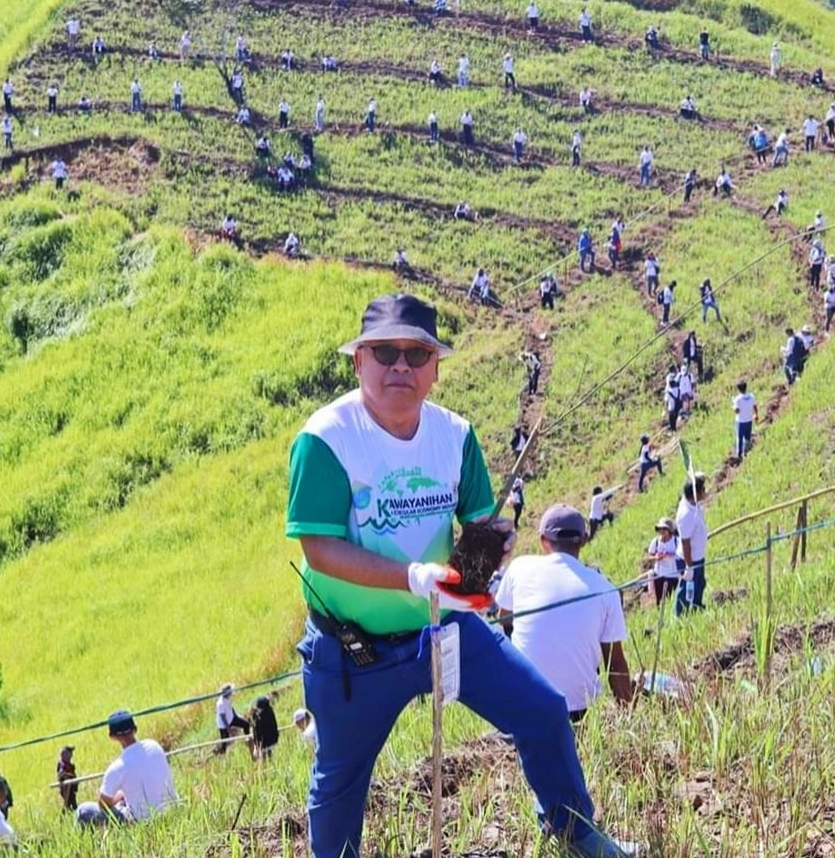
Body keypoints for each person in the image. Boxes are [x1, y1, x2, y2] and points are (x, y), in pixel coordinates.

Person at [286, 294, 632, 858]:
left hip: (443, 628)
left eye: (417, 354)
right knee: (341, 782)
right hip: (354, 652)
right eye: (386, 352)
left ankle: (575, 831)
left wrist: (491, 544)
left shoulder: (455, 435)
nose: (401, 366)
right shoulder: (326, 439)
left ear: (436, 367)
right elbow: (319, 548)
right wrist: (410, 576)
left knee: (541, 710)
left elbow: (477, 522)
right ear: (358, 362)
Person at [495, 504, 631, 723]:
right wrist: (628, 719)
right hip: (580, 710)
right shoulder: (605, 588)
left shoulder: (519, 568)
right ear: (584, 541)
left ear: (542, 540)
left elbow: (504, 617)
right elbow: (615, 663)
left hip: (525, 702)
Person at [77, 710, 178, 826]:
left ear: (112, 736)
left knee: (83, 811)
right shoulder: (154, 745)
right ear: (135, 729)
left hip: (141, 820)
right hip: (172, 810)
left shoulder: (117, 768)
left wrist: (118, 797)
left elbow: (103, 804)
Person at [675, 475, 708, 614]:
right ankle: (681, 614)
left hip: (698, 557)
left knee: (700, 584)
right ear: (696, 494)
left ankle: (697, 608)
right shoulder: (685, 514)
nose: (705, 492)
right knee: (687, 586)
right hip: (689, 559)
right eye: (703, 489)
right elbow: (685, 542)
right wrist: (689, 566)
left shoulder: (692, 503)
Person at [215, 683, 252, 753]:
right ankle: (222, 752)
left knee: (246, 724)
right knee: (225, 740)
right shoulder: (220, 704)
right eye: (230, 691)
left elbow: (231, 708)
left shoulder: (228, 699)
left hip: (232, 718)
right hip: (223, 725)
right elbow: (223, 718)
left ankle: (248, 739)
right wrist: (229, 729)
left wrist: (237, 716)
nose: (232, 693)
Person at [731, 381, 758, 460]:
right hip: (749, 419)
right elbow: (755, 406)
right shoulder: (751, 396)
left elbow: (737, 411)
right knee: (747, 437)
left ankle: (739, 454)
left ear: (738, 389)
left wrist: (732, 406)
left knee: (739, 438)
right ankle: (747, 452)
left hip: (740, 421)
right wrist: (756, 414)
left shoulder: (737, 399)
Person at [663, 364, 682, 431]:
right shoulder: (678, 389)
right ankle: (674, 428)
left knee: (671, 416)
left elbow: (666, 401)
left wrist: (664, 410)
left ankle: (672, 428)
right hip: (678, 406)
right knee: (675, 415)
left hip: (672, 408)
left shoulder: (669, 391)